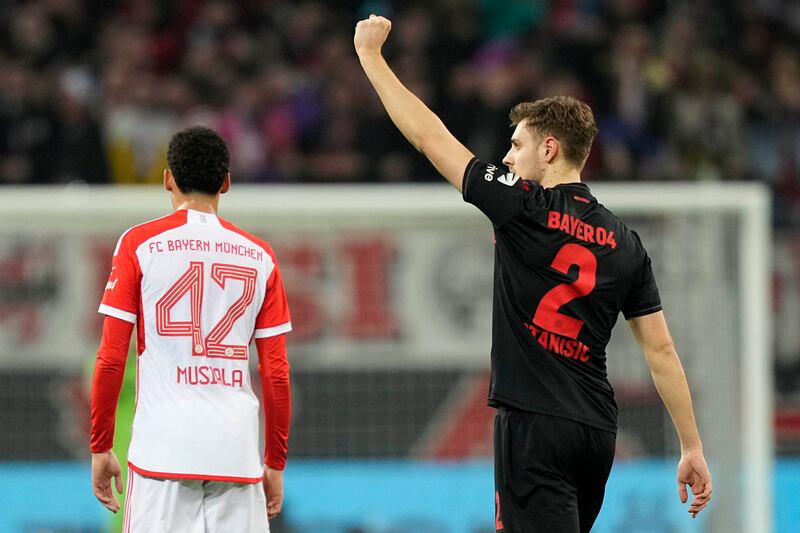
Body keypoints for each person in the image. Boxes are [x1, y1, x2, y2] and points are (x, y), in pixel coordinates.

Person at [354, 15, 712, 533]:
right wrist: (691, 444)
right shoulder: (626, 242)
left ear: (549, 150)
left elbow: (431, 137)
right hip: (595, 432)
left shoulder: (524, 205)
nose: (506, 157)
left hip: (535, 424)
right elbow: (661, 351)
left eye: (517, 146)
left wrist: (371, 58)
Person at [90, 127, 292, 532]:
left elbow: (111, 356)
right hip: (236, 454)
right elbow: (276, 372)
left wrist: (100, 445)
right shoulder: (261, 256)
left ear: (168, 178)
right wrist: (275, 462)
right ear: (226, 183)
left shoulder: (138, 244)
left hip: (161, 453)